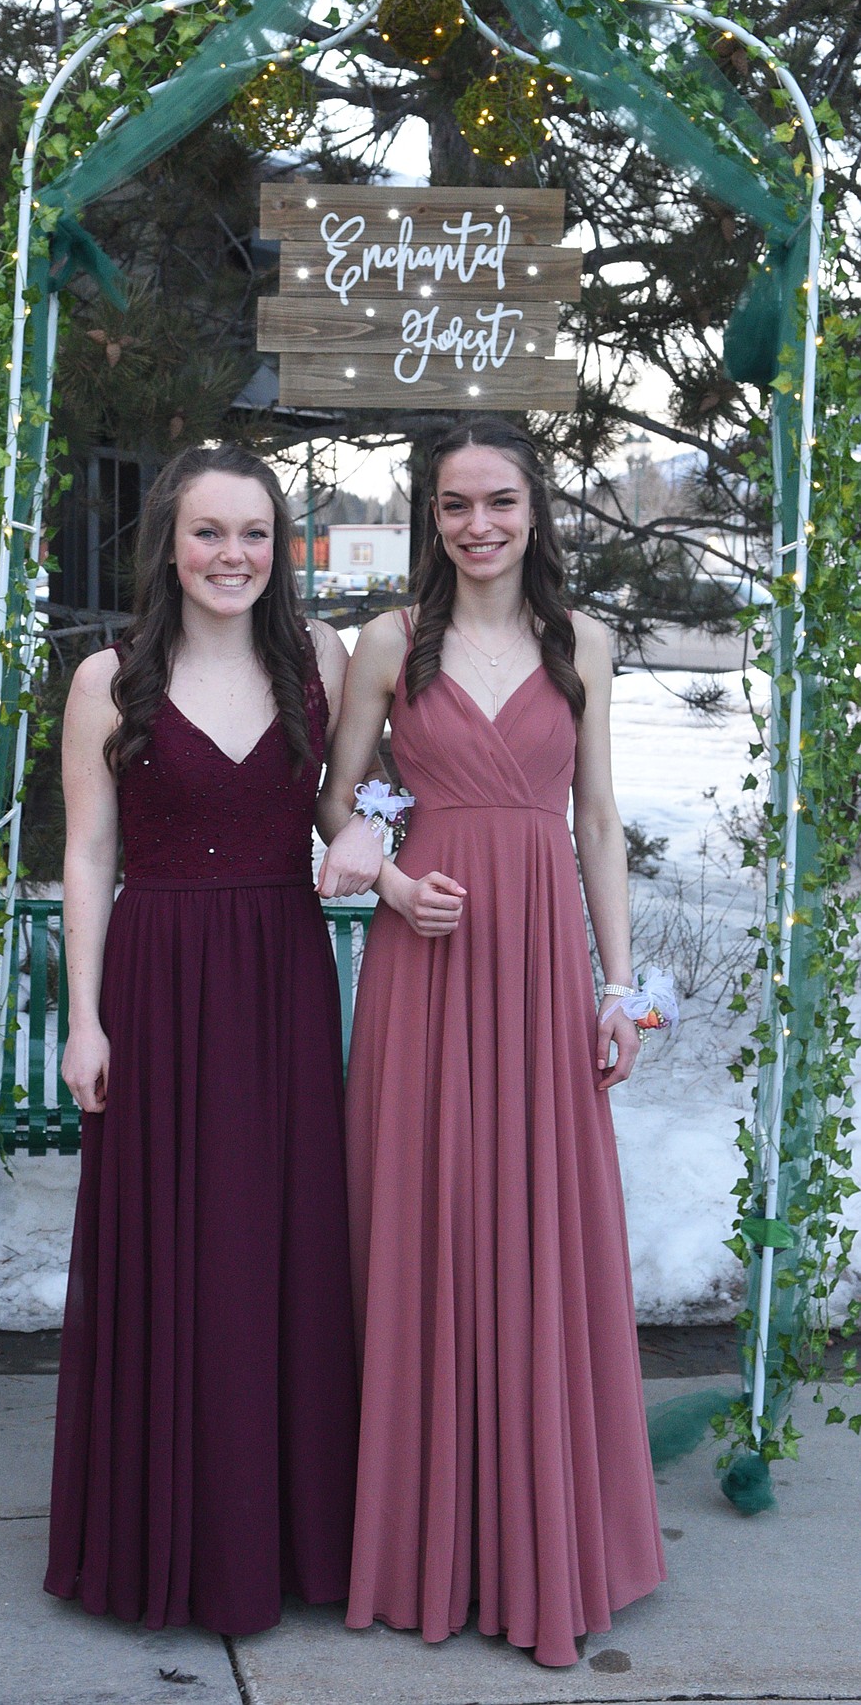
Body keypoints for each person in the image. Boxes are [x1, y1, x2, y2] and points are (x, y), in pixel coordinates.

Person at [316, 416, 666, 1668]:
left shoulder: (585, 644)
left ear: (535, 509)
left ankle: (544, 1536)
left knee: (540, 1231)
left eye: (499, 502)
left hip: (538, 969)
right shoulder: (388, 645)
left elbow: (599, 819)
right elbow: (339, 802)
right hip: (429, 960)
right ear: (431, 516)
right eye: (455, 505)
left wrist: (618, 988)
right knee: (429, 1220)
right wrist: (395, 881)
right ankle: (424, 1536)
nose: (478, 526)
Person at [44, 443, 359, 1638]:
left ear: (281, 549)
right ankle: (162, 1539)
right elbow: (86, 855)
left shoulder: (318, 659)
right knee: (172, 1249)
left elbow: (351, 802)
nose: (235, 556)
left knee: (278, 1242)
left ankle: (282, 1537)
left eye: (257, 534)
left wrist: (374, 838)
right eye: (211, 533)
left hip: (281, 971)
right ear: (170, 546)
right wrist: (84, 1018)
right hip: (160, 978)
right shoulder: (109, 679)